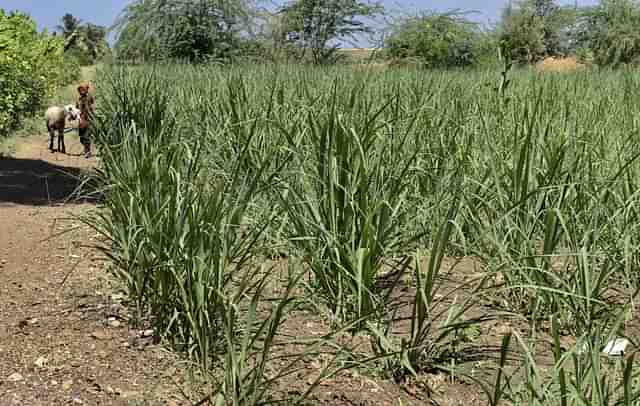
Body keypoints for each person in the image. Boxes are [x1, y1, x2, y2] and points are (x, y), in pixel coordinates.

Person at [75, 83, 95, 158]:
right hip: (81, 121)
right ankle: (86, 149)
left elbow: (92, 106)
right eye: (80, 90)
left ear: (86, 90)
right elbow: (76, 109)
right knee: (81, 138)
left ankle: (88, 151)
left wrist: (89, 109)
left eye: (83, 89)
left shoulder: (89, 97)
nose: (82, 91)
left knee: (87, 137)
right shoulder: (79, 99)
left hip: (89, 120)